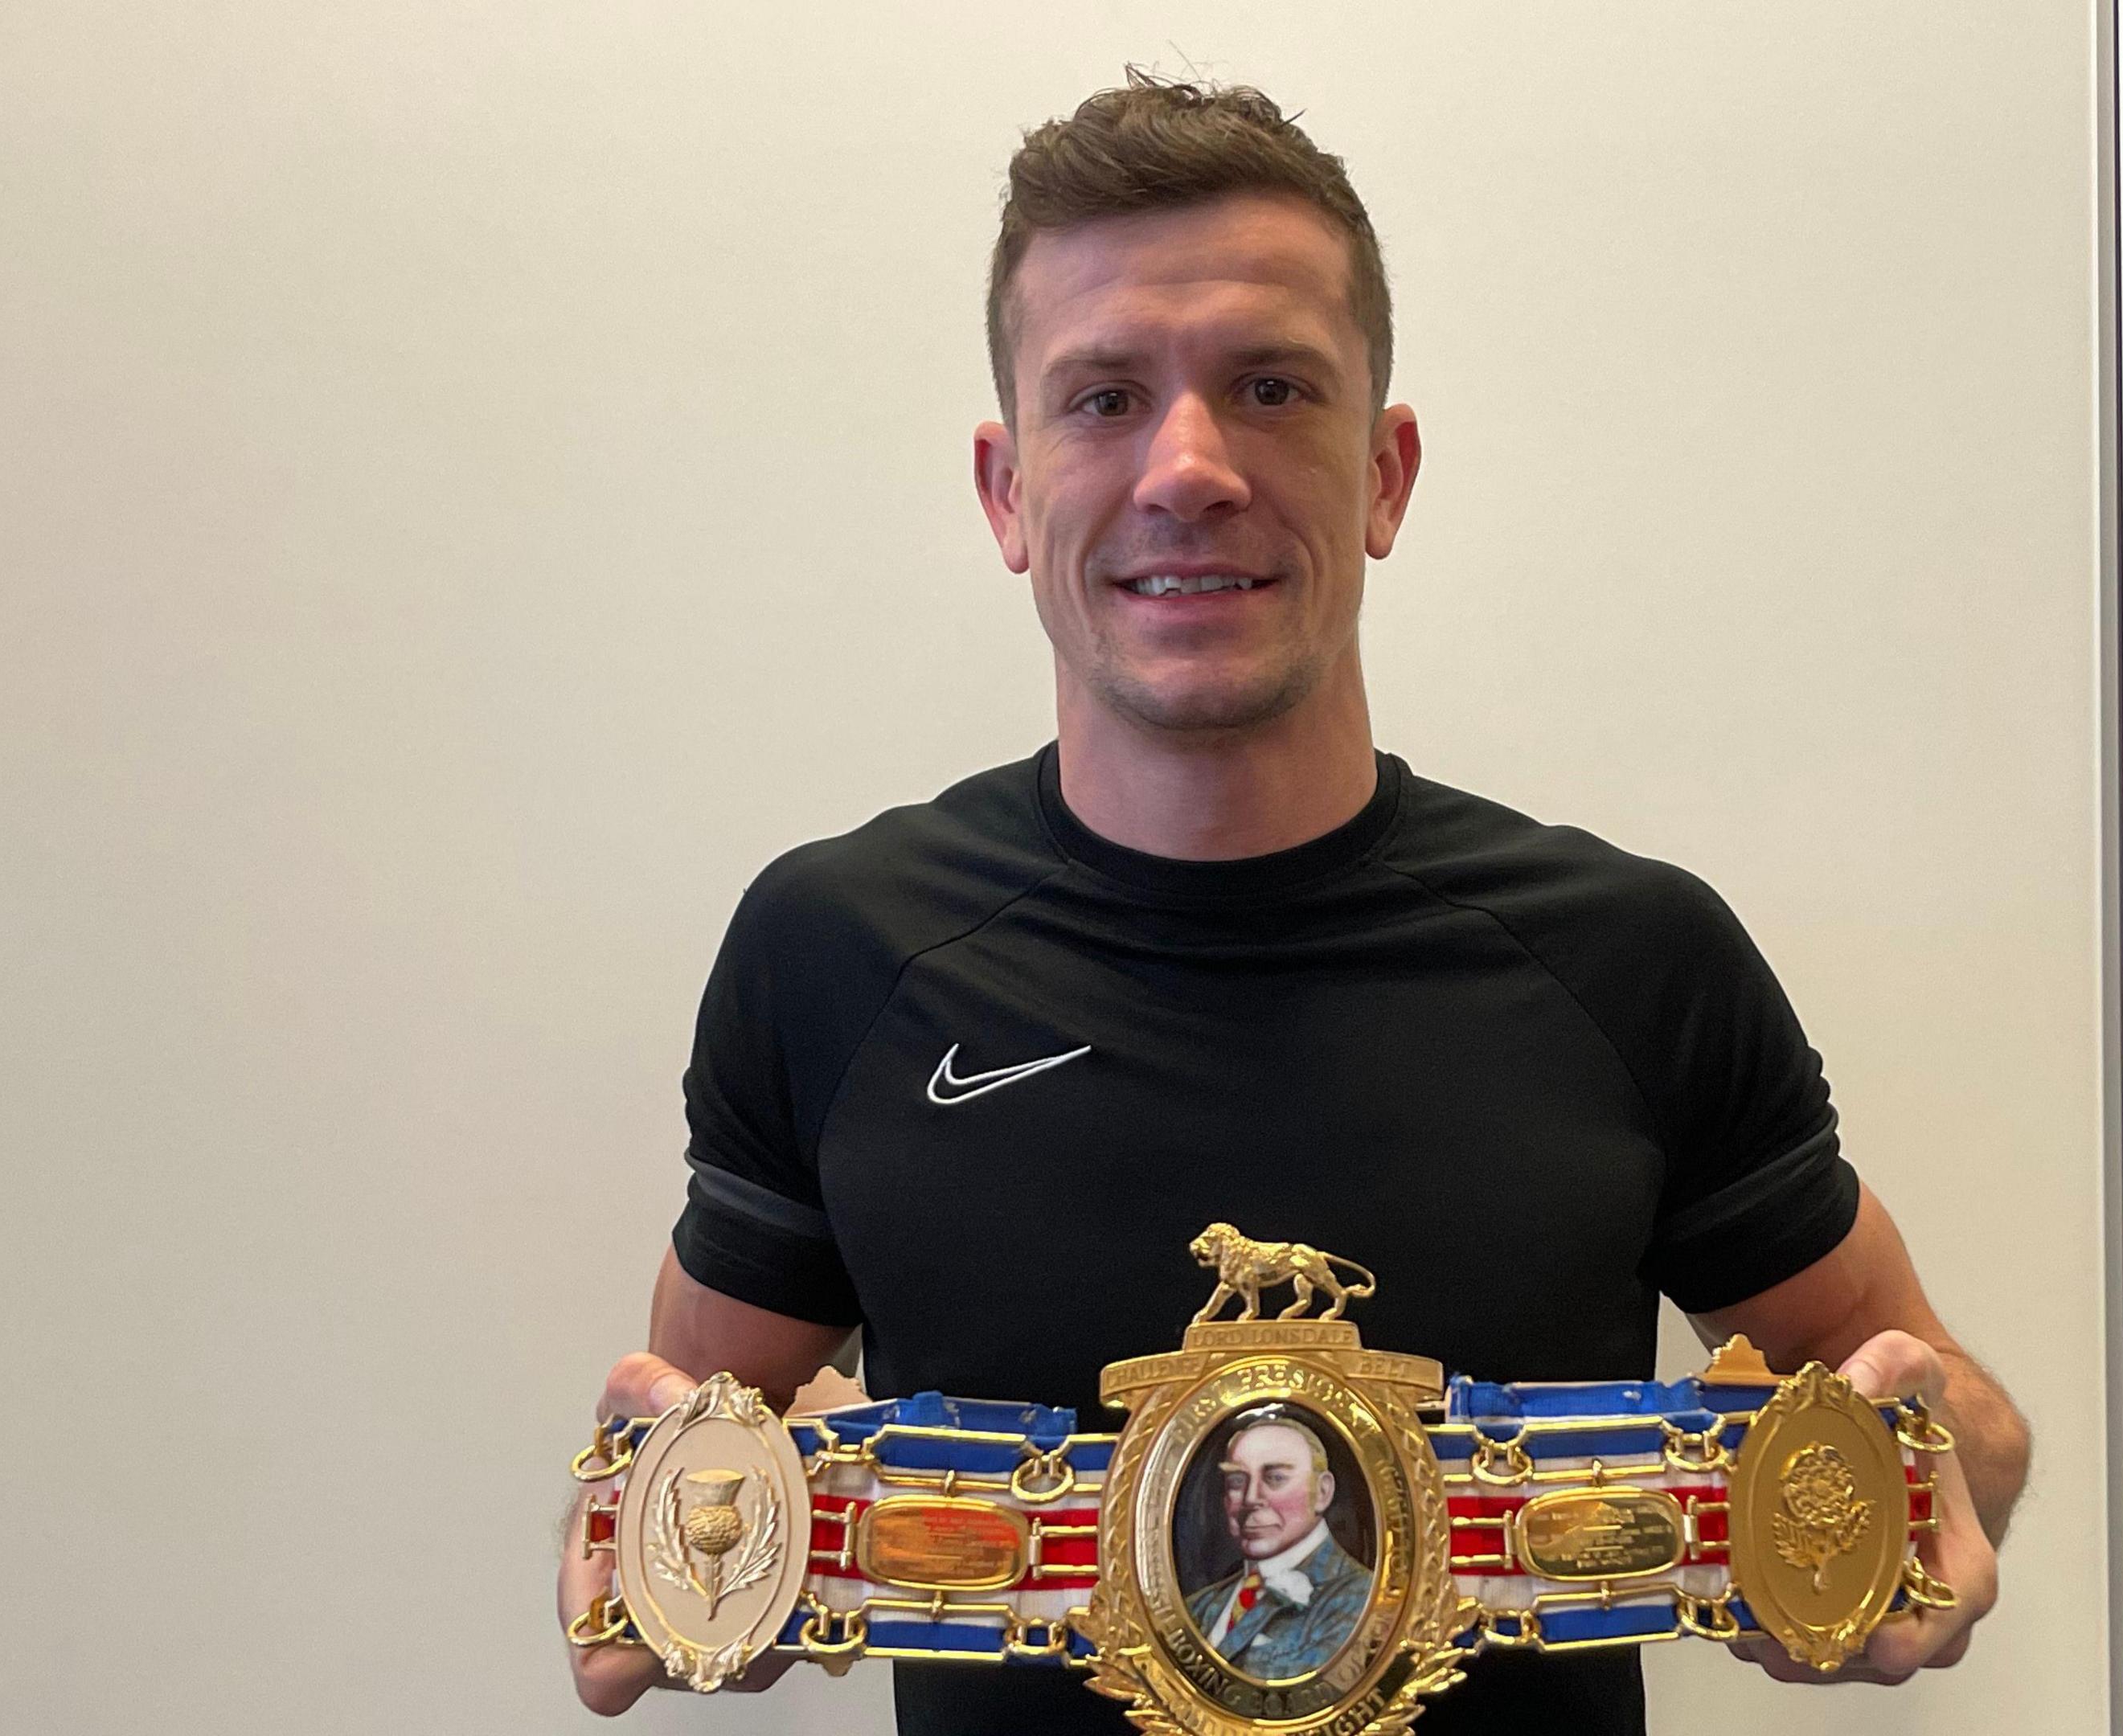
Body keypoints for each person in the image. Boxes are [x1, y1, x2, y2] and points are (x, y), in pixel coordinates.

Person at [560, 71, 2032, 1734]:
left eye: (1271, 388)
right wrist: (658, 1556)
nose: (1190, 467)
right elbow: (683, 1451)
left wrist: (1926, 1489)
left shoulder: (1635, 961)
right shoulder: (831, 958)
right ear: (1006, 490)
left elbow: (1950, 1415)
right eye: (1104, 398)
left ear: (1386, 475)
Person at [1182, 1409, 1374, 1679]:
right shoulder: (1198, 1609)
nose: (1250, 1498)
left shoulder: (1364, 1600)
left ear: (1322, 1492)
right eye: (1237, 1481)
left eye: (1275, 1478)